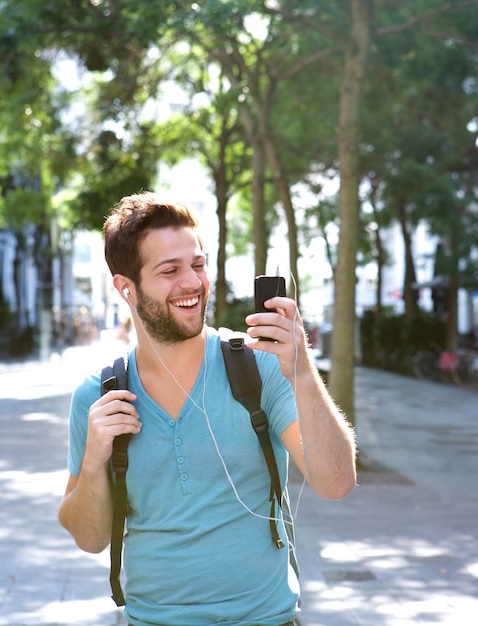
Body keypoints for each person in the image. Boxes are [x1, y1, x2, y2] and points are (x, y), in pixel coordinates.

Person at [58, 191, 357, 626]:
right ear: (126, 288)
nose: (193, 283)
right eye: (170, 270)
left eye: (198, 264)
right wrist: (92, 462)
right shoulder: (100, 396)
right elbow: (88, 537)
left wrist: (303, 373)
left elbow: (336, 482)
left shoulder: (260, 367)